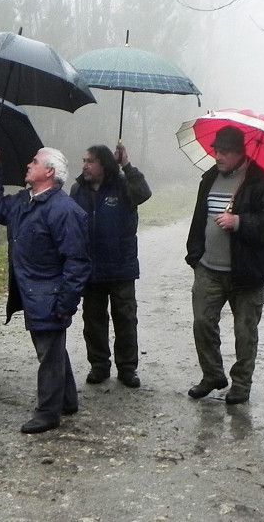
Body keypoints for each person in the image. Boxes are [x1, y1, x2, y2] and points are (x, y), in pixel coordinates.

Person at [0, 146, 89, 433]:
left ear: (49, 172)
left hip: (50, 294)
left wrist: (65, 303)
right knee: (52, 350)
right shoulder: (23, 202)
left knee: (48, 355)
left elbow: (77, 262)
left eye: (34, 161)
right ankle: (66, 399)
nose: (28, 164)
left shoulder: (64, 210)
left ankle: (48, 412)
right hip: (32, 291)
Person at [184, 126, 264, 405]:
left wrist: (239, 222)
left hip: (247, 274)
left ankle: (241, 384)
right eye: (217, 150)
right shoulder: (209, 179)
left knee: (245, 331)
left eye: (225, 152)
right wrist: (195, 255)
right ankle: (213, 375)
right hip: (208, 268)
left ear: (241, 153)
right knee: (202, 323)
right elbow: (198, 220)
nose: (218, 155)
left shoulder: (261, 182)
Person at [69, 143, 152, 388]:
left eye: (90, 161)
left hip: (121, 267)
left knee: (125, 319)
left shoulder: (124, 186)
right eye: (84, 160)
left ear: (104, 165)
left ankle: (127, 368)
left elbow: (144, 193)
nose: (85, 165)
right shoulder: (77, 190)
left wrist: (126, 164)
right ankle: (99, 365)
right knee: (93, 319)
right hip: (91, 268)